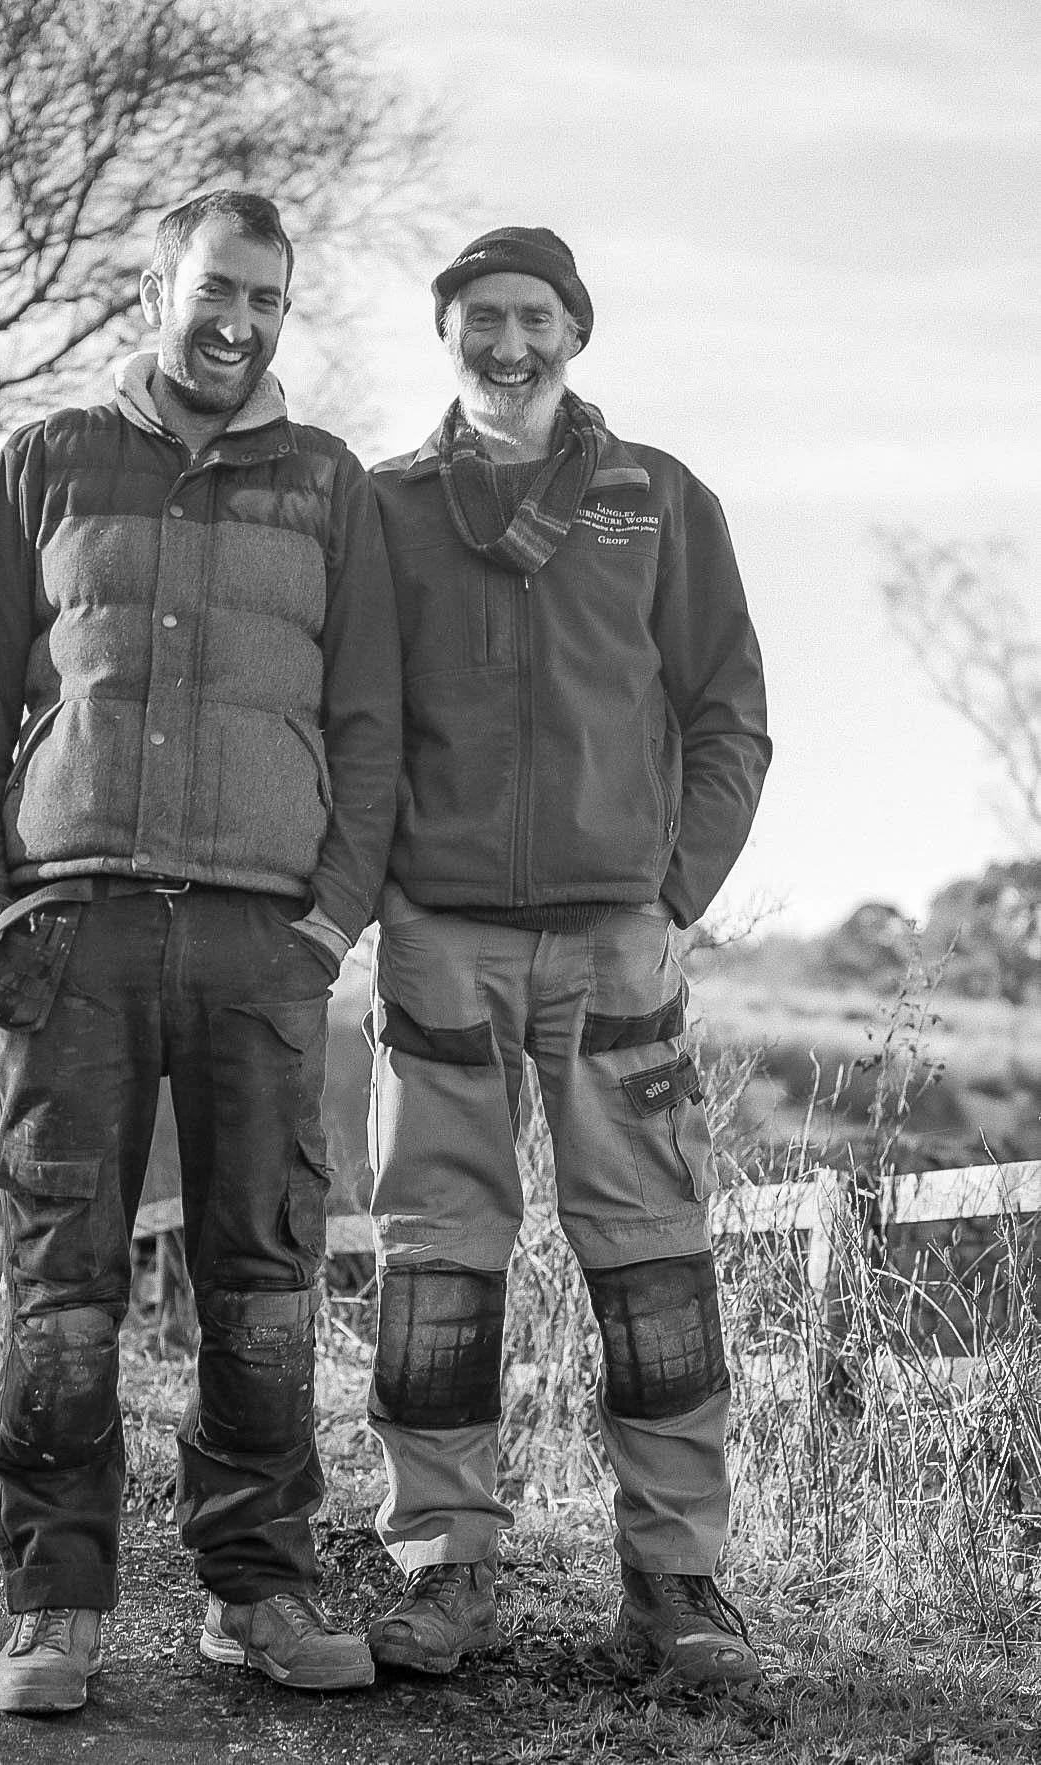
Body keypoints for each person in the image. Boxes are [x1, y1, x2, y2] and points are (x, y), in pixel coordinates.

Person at [0, 189, 400, 1713]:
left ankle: (257, 1590)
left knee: (262, 1276)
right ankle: (54, 1608)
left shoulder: (331, 487)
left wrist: (326, 924)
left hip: (264, 945)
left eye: (267, 299)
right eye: (217, 288)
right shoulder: (48, 464)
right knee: (63, 1280)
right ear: (160, 284)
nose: (239, 322)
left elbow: (371, 732)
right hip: (73, 935)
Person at [361, 227, 772, 1688]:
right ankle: (439, 1571)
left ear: (577, 330)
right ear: (448, 334)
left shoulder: (658, 501)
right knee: (436, 1275)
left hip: (619, 947)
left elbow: (730, 713)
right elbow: (356, 718)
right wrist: (382, 897)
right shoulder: (385, 508)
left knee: (656, 1268)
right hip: (440, 942)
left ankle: (677, 1588)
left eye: (534, 316)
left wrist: (677, 893)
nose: (509, 342)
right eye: (481, 318)